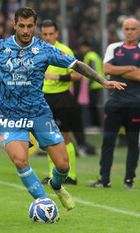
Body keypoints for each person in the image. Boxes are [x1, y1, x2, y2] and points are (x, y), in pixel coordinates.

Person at [0, 7, 125, 213]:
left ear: (35, 26)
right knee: (20, 160)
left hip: (39, 113)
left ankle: (56, 185)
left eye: (30, 26)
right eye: (21, 25)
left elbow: (76, 64)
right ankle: (44, 203)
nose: (25, 30)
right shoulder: (1, 47)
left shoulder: (44, 49)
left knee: (63, 166)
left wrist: (103, 81)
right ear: (15, 25)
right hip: (11, 115)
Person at [87, 18, 140, 190]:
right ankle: (104, 179)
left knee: (133, 142)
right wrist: (131, 68)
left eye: (133, 29)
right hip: (114, 102)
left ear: (139, 31)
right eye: (126, 28)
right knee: (108, 140)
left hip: (135, 103)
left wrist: (120, 70)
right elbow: (107, 70)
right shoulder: (113, 47)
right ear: (122, 30)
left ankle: (129, 180)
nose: (129, 31)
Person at [39, 19, 82, 185]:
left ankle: (70, 176)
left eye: (51, 34)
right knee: (48, 139)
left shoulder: (64, 50)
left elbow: (77, 75)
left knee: (64, 137)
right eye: (45, 34)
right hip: (43, 99)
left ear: (56, 34)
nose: (48, 37)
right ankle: (53, 174)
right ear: (40, 34)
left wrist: (57, 77)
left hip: (62, 98)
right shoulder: (36, 51)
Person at [79, 41, 104, 129]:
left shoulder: (90, 56)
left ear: (86, 47)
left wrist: (89, 85)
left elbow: (91, 72)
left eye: (82, 47)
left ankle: (96, 125)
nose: (81, 50)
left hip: (94, 85)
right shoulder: (95, 55)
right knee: (94, 105)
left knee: (93, 105)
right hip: (97, 84)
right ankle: (97, 124)